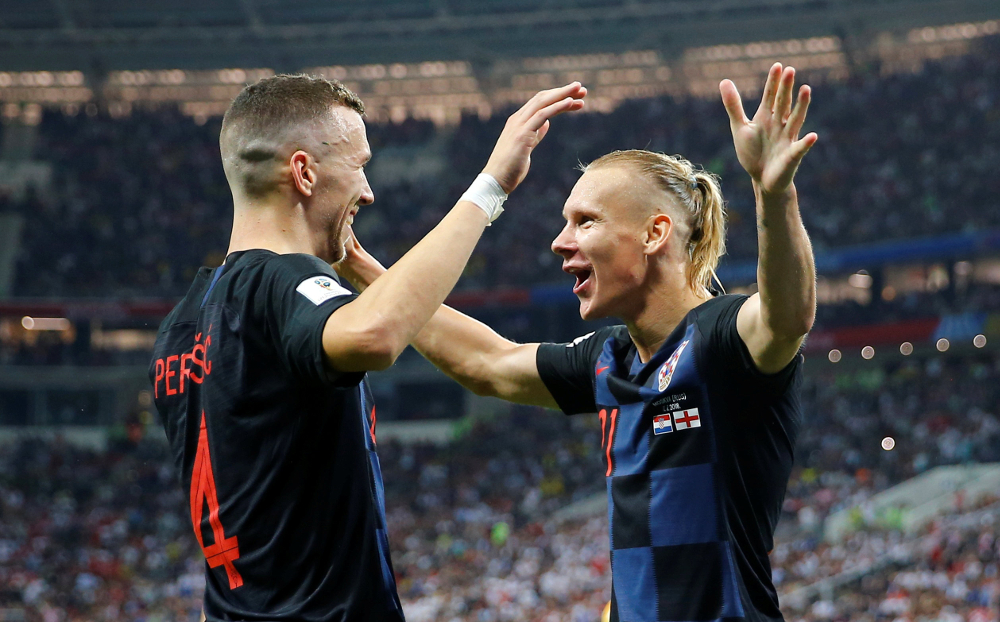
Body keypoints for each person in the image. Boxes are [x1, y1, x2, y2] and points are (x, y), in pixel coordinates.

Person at [336, 63, 817, 622]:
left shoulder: (719, 339)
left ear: (655, 233)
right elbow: (487, 362)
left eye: (585, 221)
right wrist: (358, 264)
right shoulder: (607, 357)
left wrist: (773, 192)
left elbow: (787, 316)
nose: (560, 243)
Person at [148, 74, 586, 621]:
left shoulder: (183, 322)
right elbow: (373, 336)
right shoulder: (279, 284)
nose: (369, 191)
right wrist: (491, 185)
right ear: (305, 173)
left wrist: (359, 266)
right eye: (359, 166)